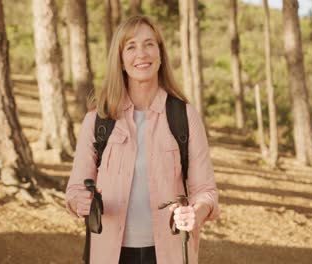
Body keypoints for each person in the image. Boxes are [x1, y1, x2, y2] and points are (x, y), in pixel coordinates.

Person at [64, 15, 219, 264]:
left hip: (169, 253)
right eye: (131, 46)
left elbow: (205, 191)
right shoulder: (98, 118)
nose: (142, 53)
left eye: (149, 44)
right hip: (109, 254)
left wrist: (196, 213)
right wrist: (79, 201)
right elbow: (74, 190)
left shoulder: (184, 115)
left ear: (160, 54)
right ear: (121, 60)